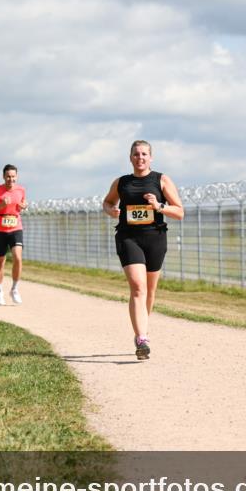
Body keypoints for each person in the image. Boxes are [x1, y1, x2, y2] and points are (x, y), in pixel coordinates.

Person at [101, 140, 184, 360]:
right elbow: (107, 202)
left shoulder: (161, 180)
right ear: (130, 157)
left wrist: (159, 206)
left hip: (155, 238)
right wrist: (112, 211)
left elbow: (180, 212)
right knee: (138, 287)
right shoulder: (122, 182)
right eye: (136, 154)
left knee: (150, 290)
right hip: (129, 238)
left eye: (144, 154)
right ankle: (141, 339)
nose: (140, 158)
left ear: (151, 157)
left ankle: (143, 330)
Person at [0, 166, 27, 305]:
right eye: (8, 176)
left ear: (17, 176)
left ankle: (14, 289)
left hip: (16, 227)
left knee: (18, 258)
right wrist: (2, 204)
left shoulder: (21, 190)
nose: (11, 179)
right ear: (3, 177)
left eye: (13, 176)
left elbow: (22, 204)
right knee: (0, 263)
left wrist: (24, 206)